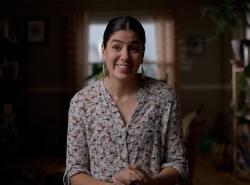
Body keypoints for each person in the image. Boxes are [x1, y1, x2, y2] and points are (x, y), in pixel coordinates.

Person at [63, 16, 187, 185]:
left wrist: (151, 182)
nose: (125, 56)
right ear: (104, 50)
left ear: (142, 53)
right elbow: (74, 171)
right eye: (116, 47)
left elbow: (177, 163)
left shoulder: (165, 98)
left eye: (133, 48)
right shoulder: (82, 102)